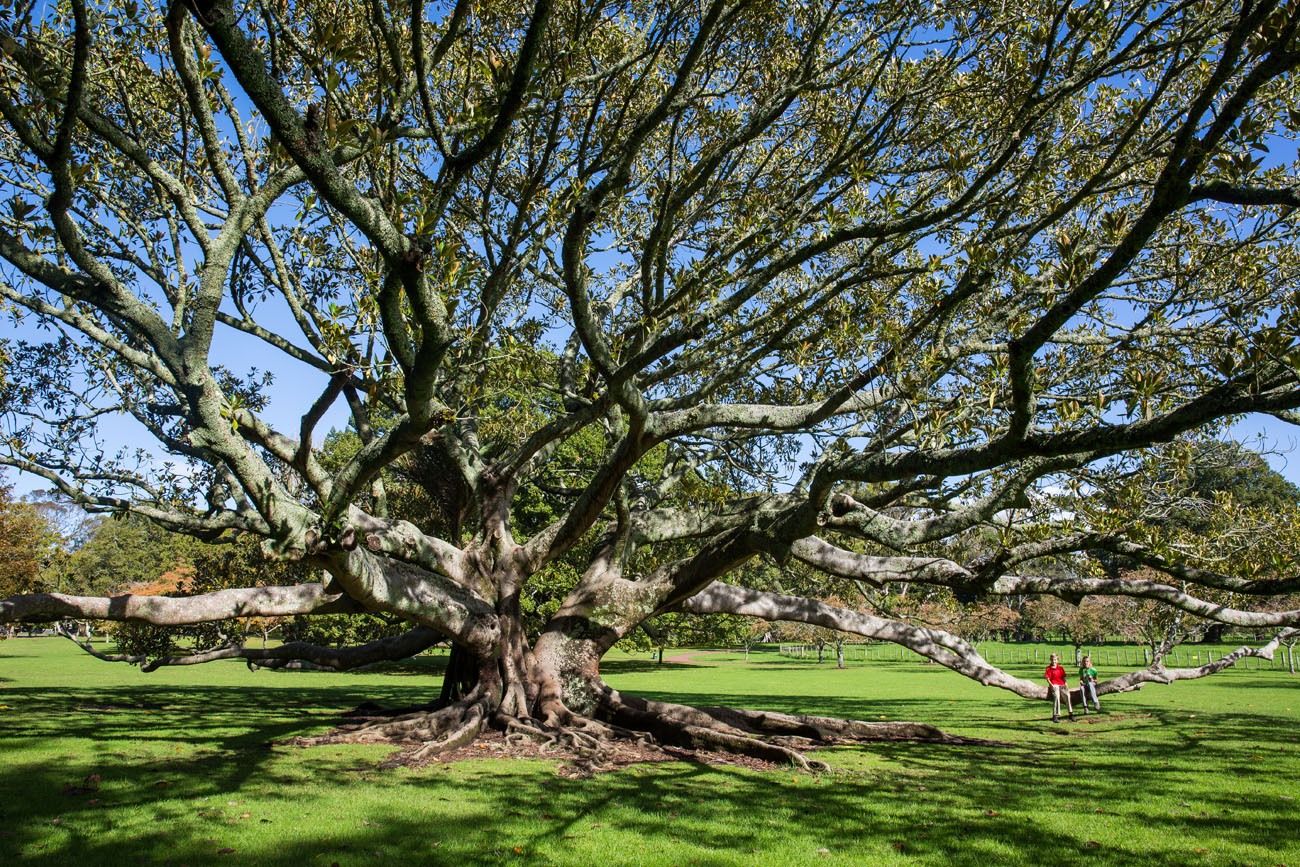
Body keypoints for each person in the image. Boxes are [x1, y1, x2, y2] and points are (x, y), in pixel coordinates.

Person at [1044, 653, 1074, 722]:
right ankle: (1055, 715)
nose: (1053, 661)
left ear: (1057, 660)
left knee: (1067, 696)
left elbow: (1064, 677)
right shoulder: (1048, 668)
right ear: (1050, 660)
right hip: (1054, 685)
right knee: (1056, 697)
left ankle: (1071, 714)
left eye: (1055, 660)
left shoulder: (1060, 668)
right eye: (1052, 660)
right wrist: (1051, 685)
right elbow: (1047, 678)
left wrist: (1066, 684)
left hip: (1062, 684)